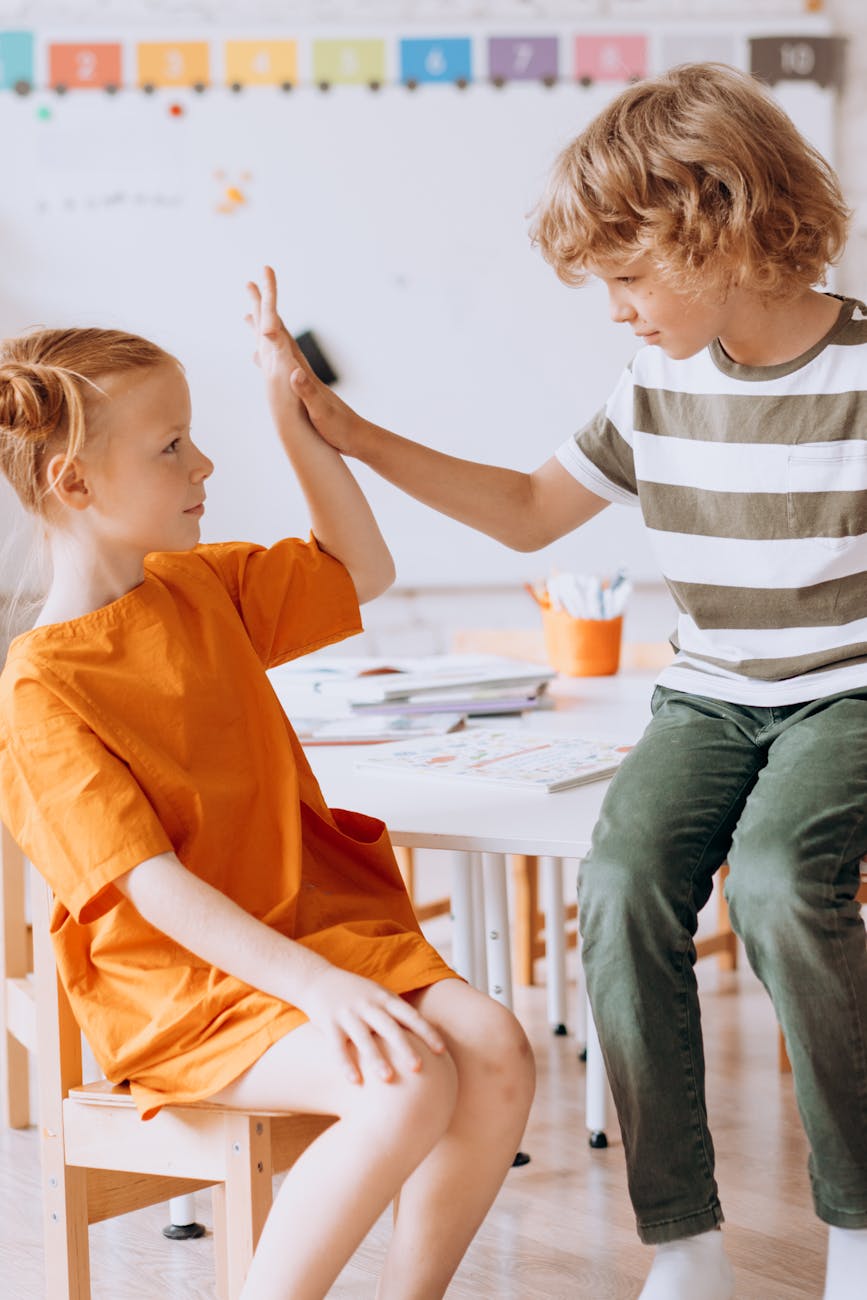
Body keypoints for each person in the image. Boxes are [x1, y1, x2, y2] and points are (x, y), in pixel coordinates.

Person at [284, 63, 867, 1300]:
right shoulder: (656, 381)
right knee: (616, 881)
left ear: (721, 223)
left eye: (629, 274)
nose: (615, 310)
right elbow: (533, 511)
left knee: (774, 883)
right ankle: (686, 1244)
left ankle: (861, 1224)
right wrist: (359, 436)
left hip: (848, 696)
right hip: (712, 695)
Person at [0, 267, 535, 1300]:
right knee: (410, 1078)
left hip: (314, 930)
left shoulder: (203, 585)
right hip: (185, 986)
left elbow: (360, 569)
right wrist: (319, 989)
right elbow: (153, 892)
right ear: (74, 483)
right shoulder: (41, 687)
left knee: (497, 1050)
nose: (202, 463)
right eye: (170, 448)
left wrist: (293, 418)